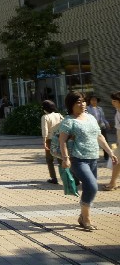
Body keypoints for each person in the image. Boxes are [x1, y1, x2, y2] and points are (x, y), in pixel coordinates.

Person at [59, 91, 117, 231]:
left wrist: (110, 152)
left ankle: (82, 216)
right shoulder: (69, 121)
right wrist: (66, 159)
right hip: (77, 159)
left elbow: (99, 136)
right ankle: (86, 219)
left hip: (93, 159)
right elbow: (62, 142)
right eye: (78, 102)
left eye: (83, 101)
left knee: (89, 189)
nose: (82, 104)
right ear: (71, 105)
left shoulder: (90, 118)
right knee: (92, 186)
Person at [40, 99, 64, 184]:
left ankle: (53, 177)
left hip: (50, 139)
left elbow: (45, 130)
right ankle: (64, 177)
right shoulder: (59, 115)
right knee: (61, 158)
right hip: (59, 138)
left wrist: (44, 141)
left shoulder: (45, 117)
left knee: (49, 160)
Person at [103, 91, 120, 191]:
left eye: (114, 101)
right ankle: (113, 183)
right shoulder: (118, 111)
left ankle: (112, 183)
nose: (112, 103)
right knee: (117, 162)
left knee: (116, 162)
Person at [86, 95, 110, 160]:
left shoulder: (100, 108)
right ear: (90, 101)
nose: (94, 101)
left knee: (105, 141)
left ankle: (106, 156)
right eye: (92, 100)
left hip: (101, 126)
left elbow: (103, 118)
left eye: (95, 100)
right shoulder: (87, 108)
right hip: (92, 128)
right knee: (93, 142)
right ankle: (94, 156)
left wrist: (107, 123)